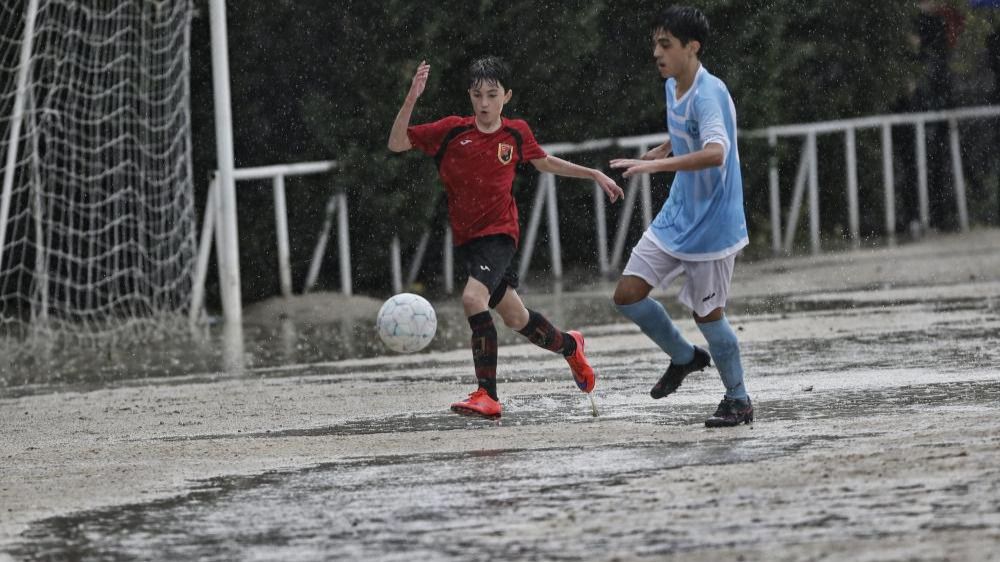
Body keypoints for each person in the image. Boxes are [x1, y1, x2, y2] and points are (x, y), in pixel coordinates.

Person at [388, 56, 624, 419]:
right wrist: (411, 98)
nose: (484, 103)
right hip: (468, 241)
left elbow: (546, 162)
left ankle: (488, 395)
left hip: (500, 236)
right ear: (469, 96)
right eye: (477, 95)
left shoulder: (515, 134)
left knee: (473, 298)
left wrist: (593, 173)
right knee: (516, 318)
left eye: (492, 95)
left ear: (507, 96)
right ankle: (570, 346)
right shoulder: (452, 131)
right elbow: (396, 143)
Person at [609, 6, 752, 428]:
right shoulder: (673, 84)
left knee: (707, 316)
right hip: (678, 213)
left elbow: (716, 152)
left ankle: (739, 400)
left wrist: (656, 166)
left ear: (693, 47)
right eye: (655, 43)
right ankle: (684, 357)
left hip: (713, 224)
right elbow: (688, 130)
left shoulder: (708, 93)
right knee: (627, 295)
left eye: (666, 44)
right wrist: (664, 148)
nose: (657, 52)